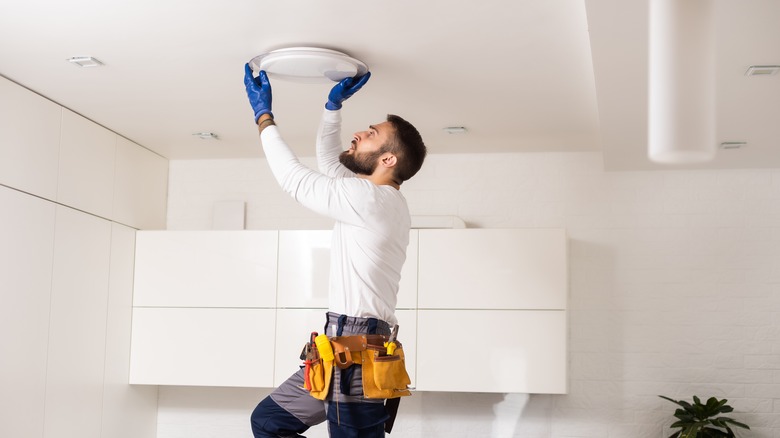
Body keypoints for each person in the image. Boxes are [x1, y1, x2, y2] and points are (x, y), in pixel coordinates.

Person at [243, 63, 427, 438]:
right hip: (338, 347)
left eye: (372, 134)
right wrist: (332, 108)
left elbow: (294, 179)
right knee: (269, 421)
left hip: (357, 353)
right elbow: (330, 163)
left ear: (388, 159)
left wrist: (264, 116)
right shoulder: (379, 199)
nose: (360, 134)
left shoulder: (370, 200)